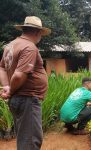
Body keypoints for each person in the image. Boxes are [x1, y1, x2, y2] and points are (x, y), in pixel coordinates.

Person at [0, 16, 51, 150]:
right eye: (41, 34)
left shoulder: (10, 45)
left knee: (25, 140)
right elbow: (18, 75)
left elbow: (2, 67)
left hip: (19, 99)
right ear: (37, 32)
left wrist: (6, 86)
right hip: (27, 99)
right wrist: (10, 90)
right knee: (30, 143)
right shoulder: (29, 47)